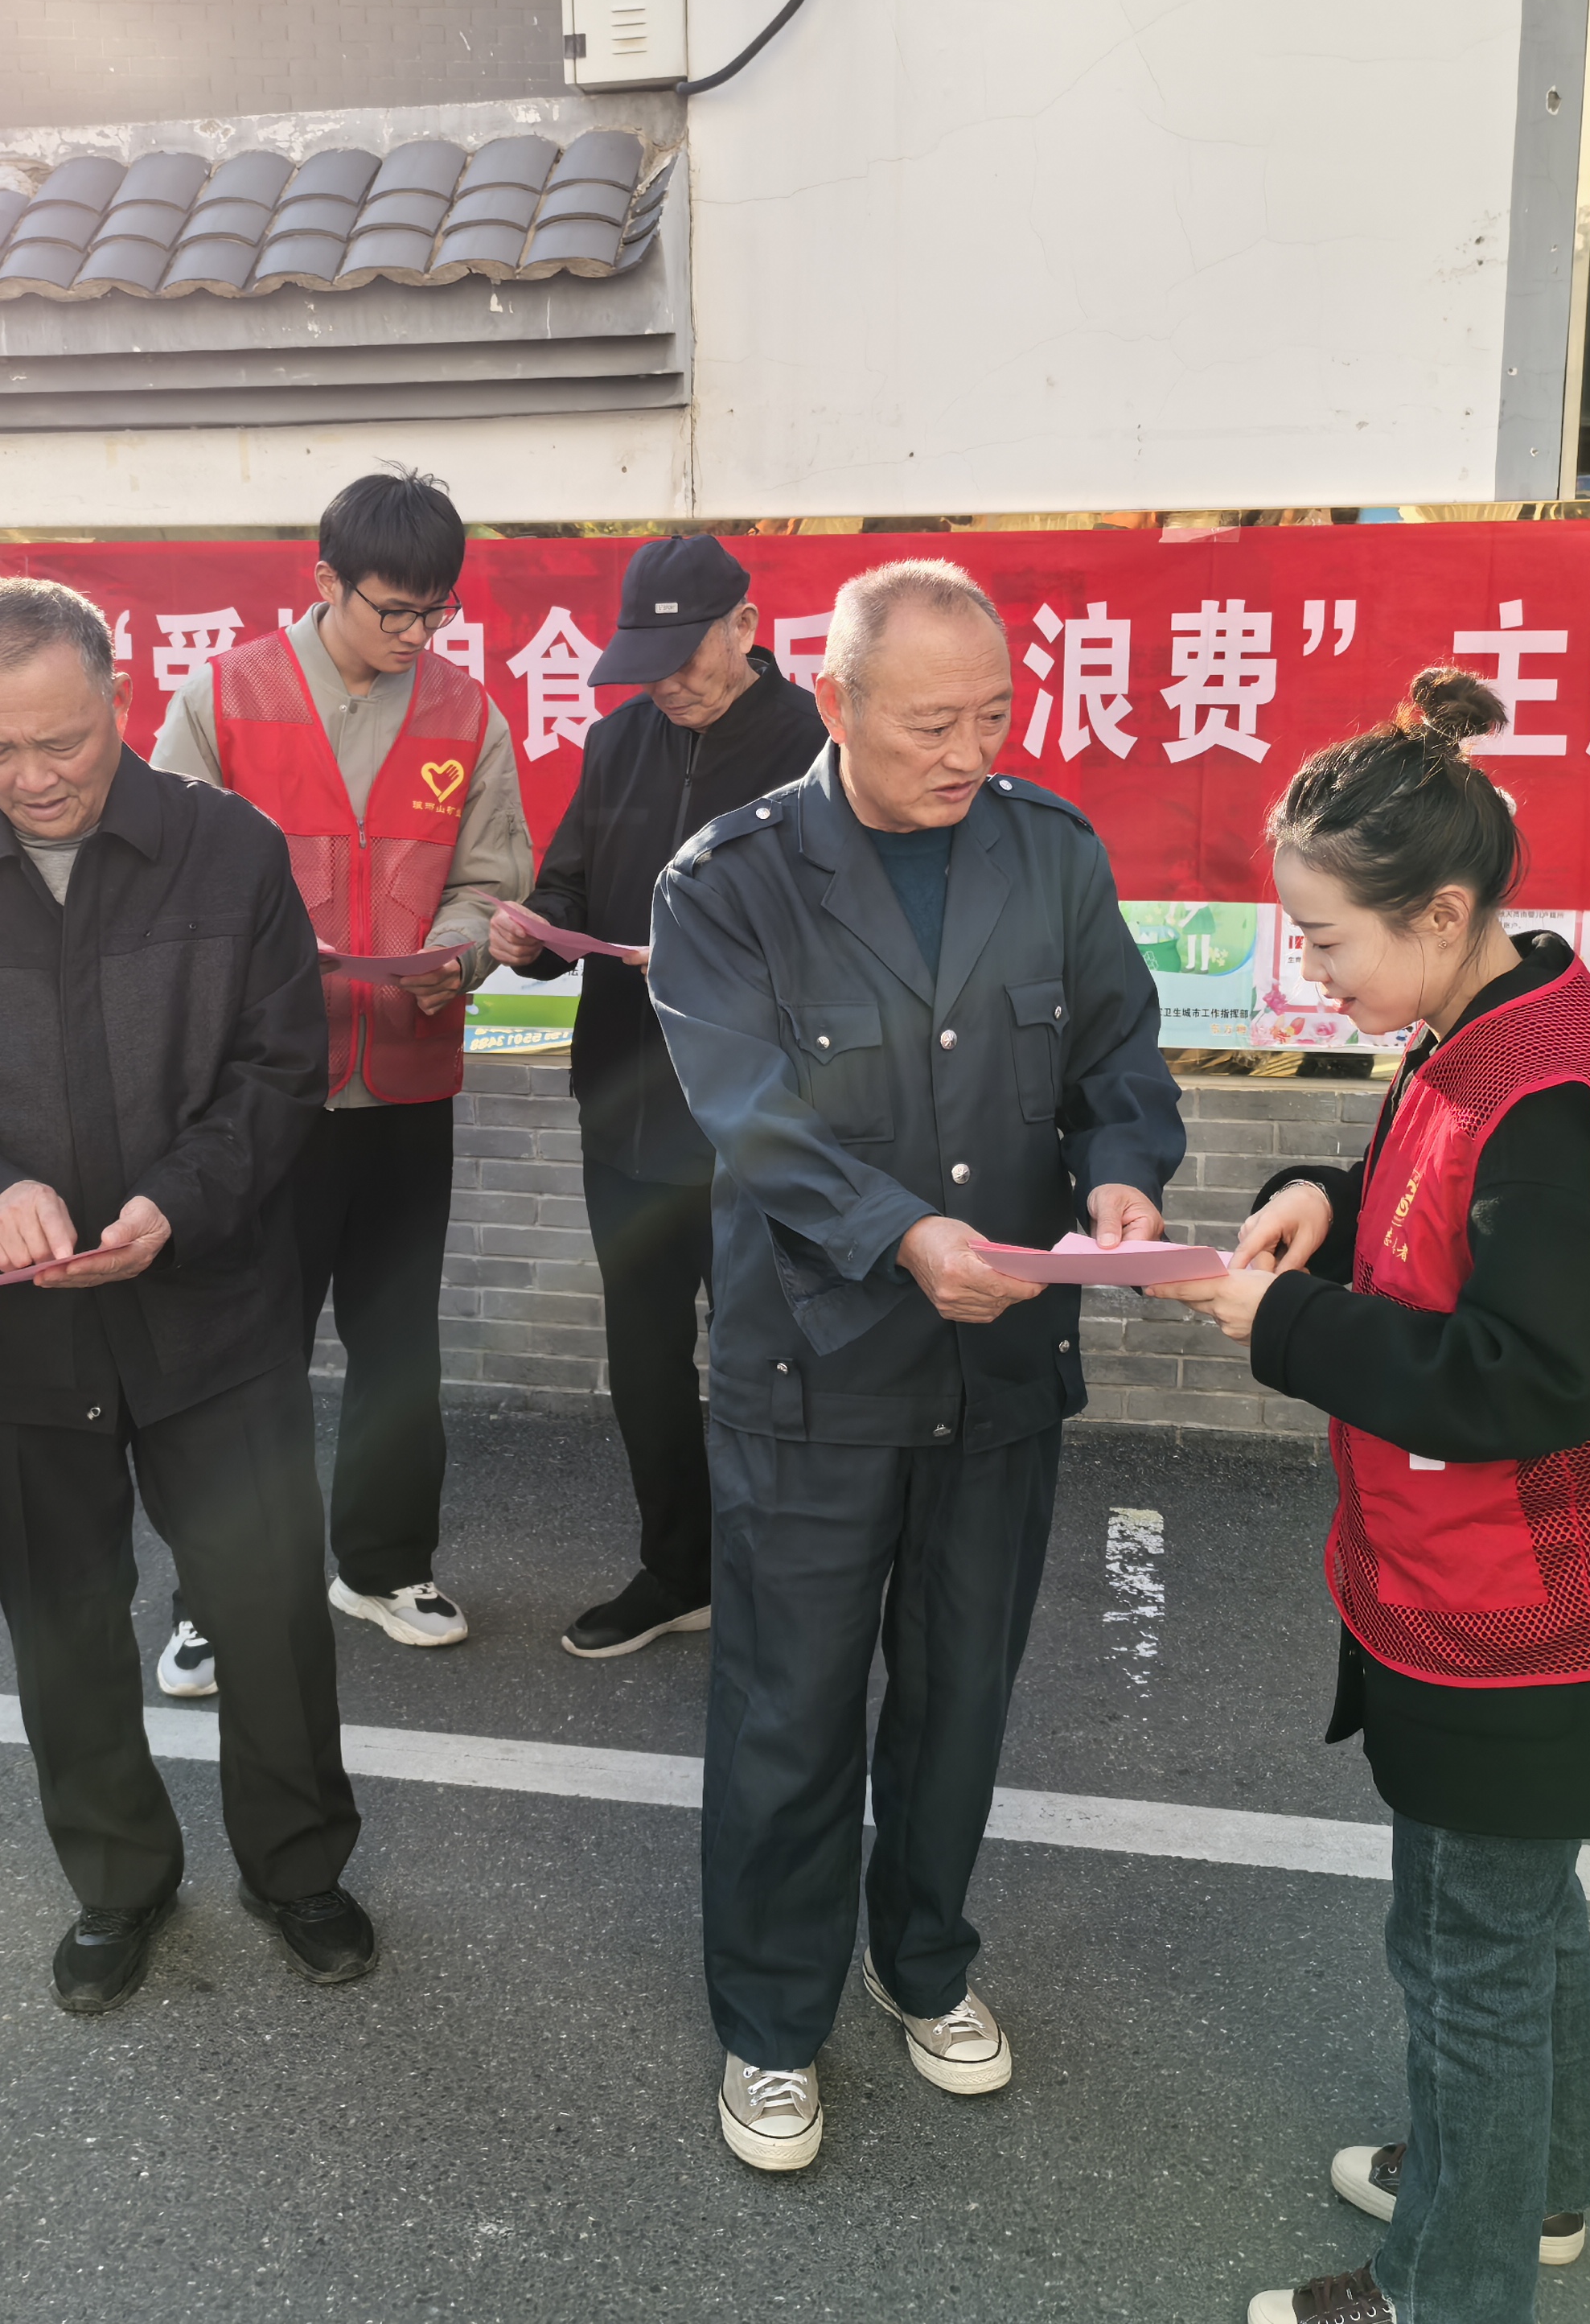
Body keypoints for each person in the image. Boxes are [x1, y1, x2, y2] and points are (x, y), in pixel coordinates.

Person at [1161, 668, 1590, 2324]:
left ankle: (1447, 2286)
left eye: (1328, 940)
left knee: (1466, 1950)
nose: (1313, 970)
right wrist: (1322, 1205)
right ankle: (1530, 2184)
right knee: (1515, 1916)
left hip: (1524, 1603)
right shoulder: (1498, 1029)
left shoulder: (1540, 1093)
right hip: (1531, 1581)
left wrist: (1284, 1324)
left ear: (1437, 912)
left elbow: (1526, 1374)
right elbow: (1441, 1214)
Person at [645, 557, 1189, 2173]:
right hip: (811, 1375)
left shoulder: (1047, 852)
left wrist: (1122, 1175)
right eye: (930, 722)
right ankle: (770, 2021)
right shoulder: (729, 881)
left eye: (993, 717)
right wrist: (901, 1235)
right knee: (789, 1714)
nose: (968, 751)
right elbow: (751, 1118)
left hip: (998, 1368)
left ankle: (924, 1962)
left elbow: (1117, 1054)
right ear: (834, 700)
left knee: (960, 1700)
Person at [0, 575, 376, 2019]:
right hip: (11, 1338)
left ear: (120, 699)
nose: (36, 777)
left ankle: (298, 1868)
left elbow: (281, 1070)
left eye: (63, 740)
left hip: (213, 1314)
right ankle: (119, 1883)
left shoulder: (225, 851)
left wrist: (178, 1202)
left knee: (264, 1611)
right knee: (63, 1625)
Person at [146, 469, 534, 1691]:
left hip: (405, 1085)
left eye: (437, 611)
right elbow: (164, 876)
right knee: (244, 1355)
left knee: (398, 1349)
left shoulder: (468, 714)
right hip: (263, 1096)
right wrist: (259, 962)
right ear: (325, 582)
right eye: (393, 610)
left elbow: (491, 878)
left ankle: (383, 1567)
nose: (418, 635)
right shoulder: (222, 699)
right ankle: (218, 1598)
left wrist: (463, 952)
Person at [486, 533, 825, 1660]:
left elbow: (846, 942)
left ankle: (782, 1580)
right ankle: (678, 1570)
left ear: (746, 626)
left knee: (767, 1355)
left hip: (758, 1118)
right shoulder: (620, 738)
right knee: (643, 1355)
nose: (667, 683)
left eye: (687, 657)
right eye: (648, 663)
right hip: (626, 1107)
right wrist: (535, 935)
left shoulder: (817, 749)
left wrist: (703, 963)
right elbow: (571, 883)